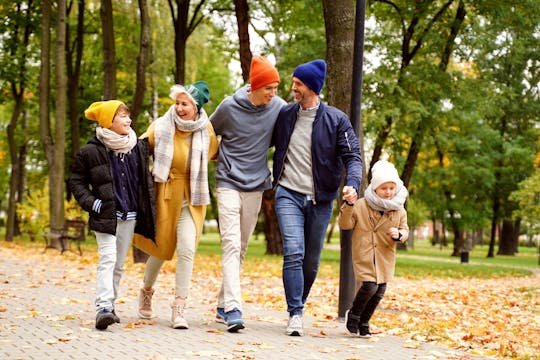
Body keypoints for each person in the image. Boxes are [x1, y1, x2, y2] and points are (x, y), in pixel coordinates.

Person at [272, 59, 363, 336]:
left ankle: (298, 301)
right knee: (294, 252)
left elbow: (353, 156)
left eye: (298, 84)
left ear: (311, 87)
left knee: (311, 262)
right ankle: (295, 313)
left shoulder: (336, 120)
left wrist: (353, 184)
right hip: (287, 192)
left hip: (321, 199)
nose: (293, 88)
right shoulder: (286, 115)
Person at [132, 81, 218, 329]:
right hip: (164, 193)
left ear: (197, 107)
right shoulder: (160, 126)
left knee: (187, 248)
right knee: (160, 249)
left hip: (192, 197)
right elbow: (139, 149)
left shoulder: (206, 129)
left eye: (185, 104)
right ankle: (146, 290)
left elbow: (214, 153)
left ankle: (179, 306)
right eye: (177, 103)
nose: (179, 108)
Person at [210, 55, 286, 332]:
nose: (273, 93)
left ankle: (221, 305)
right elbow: (207, 132)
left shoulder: (278, 107)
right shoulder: (229, 107)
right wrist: (217, 154)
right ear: (255, 85)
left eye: (276, 88)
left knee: (240, 247)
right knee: (230, 244)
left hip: (255, 186)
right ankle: (234, 308)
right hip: (228, 181)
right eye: (269, 88)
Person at [69, 100, 156, 330]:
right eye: (123, 116)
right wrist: (94, 204)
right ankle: (103, 307)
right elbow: (76, 183)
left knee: (118, 264)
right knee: (107, 258)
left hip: (130, 215)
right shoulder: (90, 151)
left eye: (128, 116)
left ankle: (110, 306)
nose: (129, 120)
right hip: (105, 215)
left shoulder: (136, 147)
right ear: (109, 121)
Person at [339, 160, 409, 337]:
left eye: (391, 188)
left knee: (379, 291)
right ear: (375, 188)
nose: (388, 192)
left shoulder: (399, 209)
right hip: (365, 253)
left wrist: (399, 235)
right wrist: (348, 205)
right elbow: (345, 224)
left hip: (385, 255)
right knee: (369, 286)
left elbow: (405, 229)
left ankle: (364, 321)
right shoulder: (361, 204)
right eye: (384, 188)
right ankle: (353, 315)